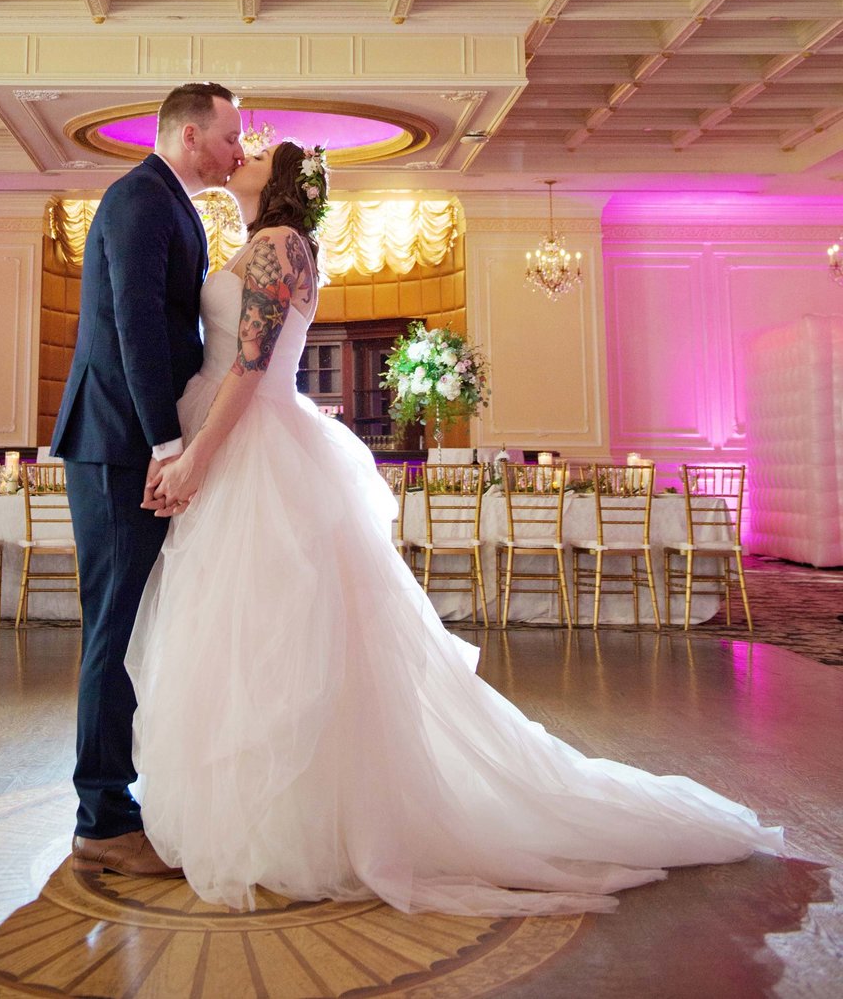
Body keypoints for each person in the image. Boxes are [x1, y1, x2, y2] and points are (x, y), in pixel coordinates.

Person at [128, 141, 784, 914]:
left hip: (250, 443)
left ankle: (293, 821)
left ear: (277, 184)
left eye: (258, 152)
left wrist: (199, 453)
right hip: (248, 441)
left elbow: (247, 365)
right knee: (250, 632)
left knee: (271, 631)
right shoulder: (261, 244)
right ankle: (263, 810)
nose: (242, 152)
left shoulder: (276, 246)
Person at [52, 81, 243, 877]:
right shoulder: (139, 198)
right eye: (231, 136)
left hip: (135, 442)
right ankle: (101, 817)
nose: (240, 151)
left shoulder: (171, 204)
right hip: (118, 445)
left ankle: (117, 803)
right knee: (114, 630)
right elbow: (134, 323)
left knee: (130, 626)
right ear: (191, 135)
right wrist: (167, 443)